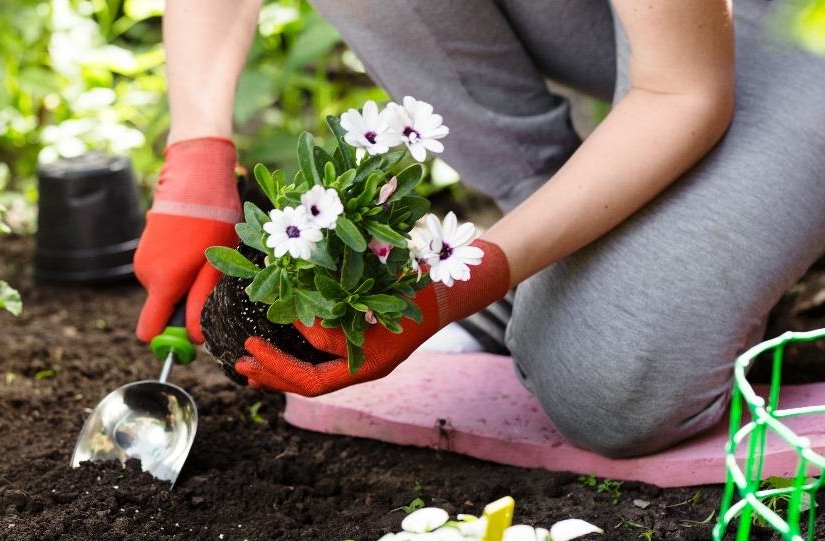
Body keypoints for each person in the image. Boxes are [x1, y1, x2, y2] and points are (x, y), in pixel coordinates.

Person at [132, 0, 825, 458]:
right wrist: (196, 153)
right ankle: (559, 250)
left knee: (608, 386)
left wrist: (462, 285)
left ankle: (584, 270)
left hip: (797, 30)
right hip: (647, 24)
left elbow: (683, 89)